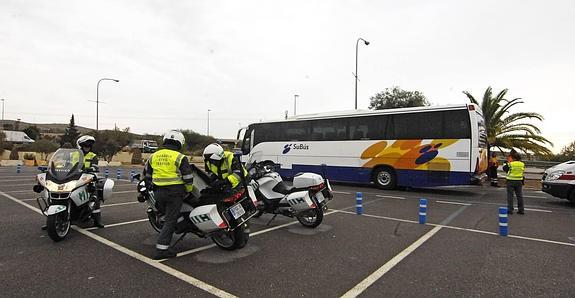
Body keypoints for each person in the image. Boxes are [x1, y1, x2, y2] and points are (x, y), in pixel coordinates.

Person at [143, 131, 194, 260]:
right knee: (170, 221)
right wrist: (188, 190)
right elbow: (188, 177)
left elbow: (147, 176)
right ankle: (161, 250)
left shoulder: (153, 156)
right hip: (175, 193)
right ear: (179, 143)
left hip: (159, 192)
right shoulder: (180, 157)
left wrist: (152, 186)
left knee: (165, 215)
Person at [76, 135, 104, 228]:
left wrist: (90, 168)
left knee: (94, 196)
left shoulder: (93, 156)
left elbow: (95, 166)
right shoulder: (74, 154)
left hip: (89, 178)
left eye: (89, 146)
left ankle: (97, 220)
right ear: (80, 146)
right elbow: (65, 164)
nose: (87, 147)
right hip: (75, 178)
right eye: (85, 146)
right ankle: (50, 218)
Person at [502, 150, 525, 215]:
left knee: (510, 196)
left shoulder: (510, 164)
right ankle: (521, 210)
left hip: (510, 181)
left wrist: (505, 163)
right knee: (519, 196)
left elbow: (504, 169)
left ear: (514, 158)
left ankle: (510, 210)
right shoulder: (522, 164)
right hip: (519, 181)